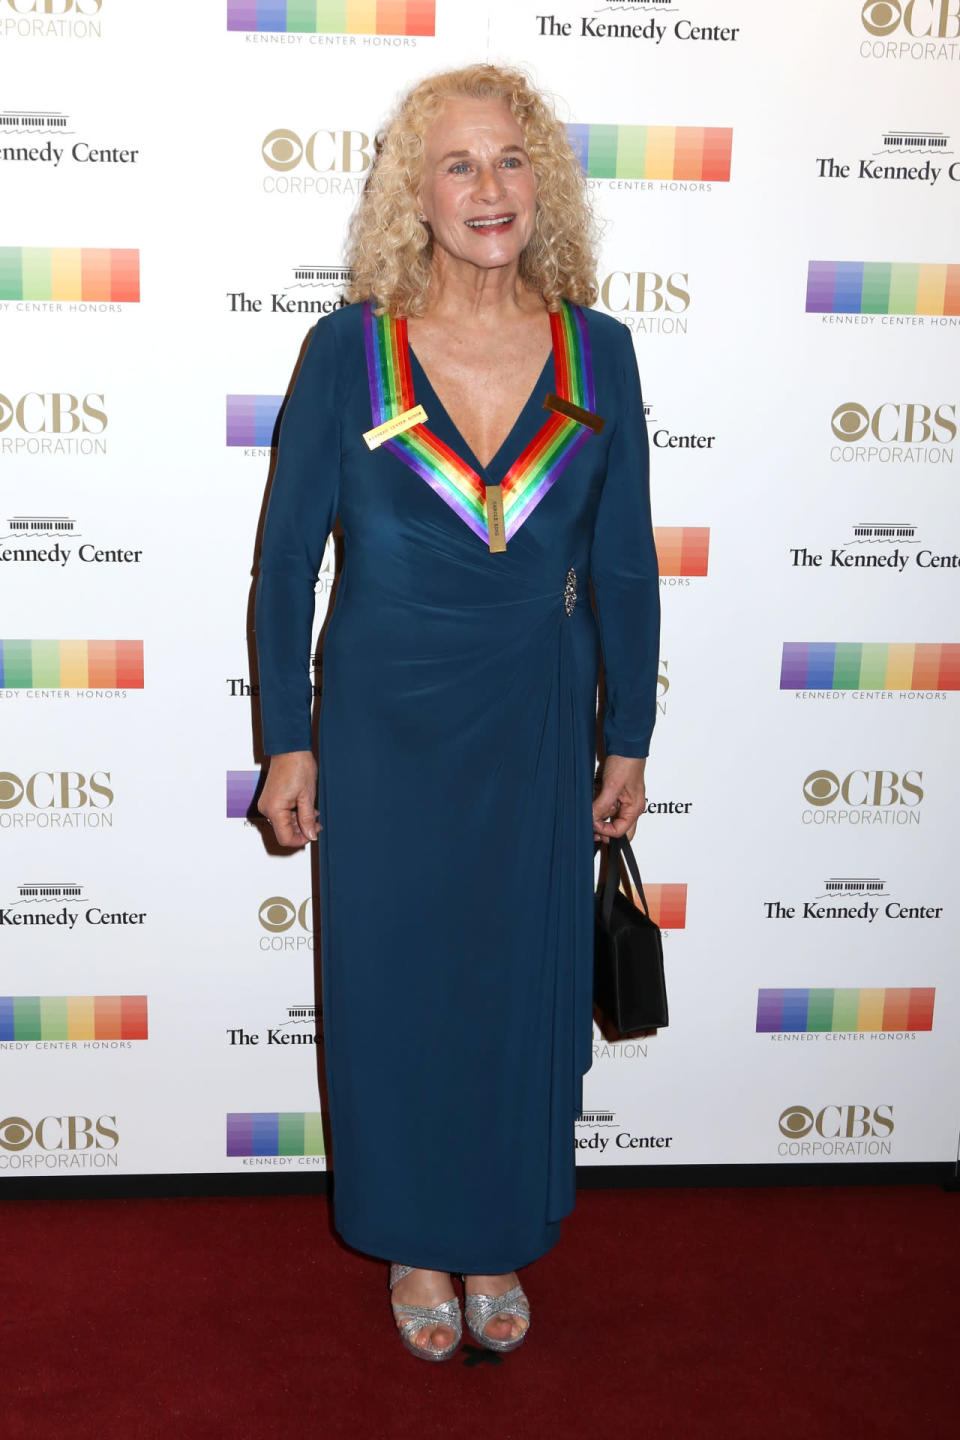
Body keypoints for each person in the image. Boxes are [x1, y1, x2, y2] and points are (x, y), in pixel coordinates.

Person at [254, 62, 659, 1361]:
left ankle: (495, 1234)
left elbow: (628, 563)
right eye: (459, 165)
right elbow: (285, 563)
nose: (491, 189)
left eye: (512, 160)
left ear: (543, 181)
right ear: (413, 195)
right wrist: (285, 736)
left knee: (515, 987)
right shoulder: (346, 350)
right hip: (383, 724)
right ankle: (417, 1242)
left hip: (538, 722)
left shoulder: (600, 352)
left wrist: (630, 736)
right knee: (397, 986)